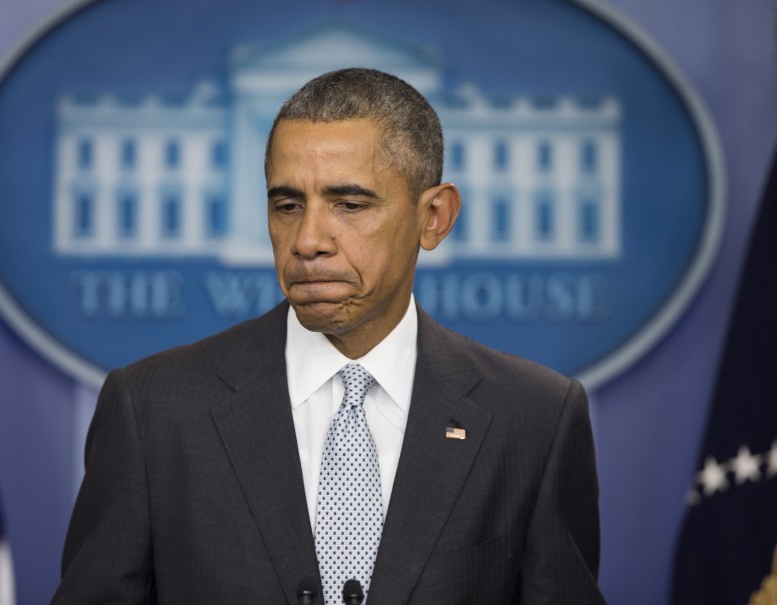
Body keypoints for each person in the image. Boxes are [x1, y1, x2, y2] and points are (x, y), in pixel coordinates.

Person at [52, 67, 605, 604]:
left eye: (349, 204)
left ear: (433, 217)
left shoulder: (534, 419)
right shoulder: (152, 409)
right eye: (287, 205)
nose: (308, 240)